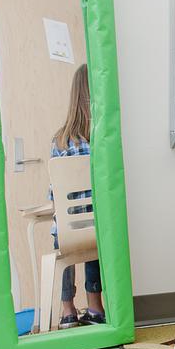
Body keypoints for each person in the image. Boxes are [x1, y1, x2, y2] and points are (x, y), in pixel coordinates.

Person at [50, 64, 103, 329]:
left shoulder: (60, 141)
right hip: (96, 229)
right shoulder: (102, 141)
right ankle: (95, 305)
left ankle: (67, 310)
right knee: (95, 231)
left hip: (69, 232)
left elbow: (54, 197)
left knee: (63, 233)